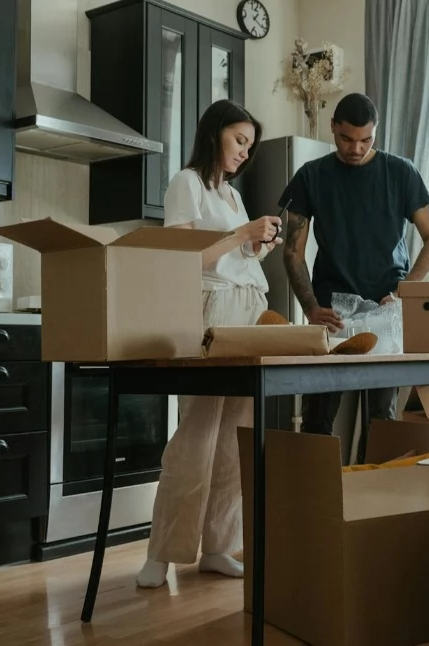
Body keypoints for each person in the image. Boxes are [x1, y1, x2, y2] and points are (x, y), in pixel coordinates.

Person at [136, 100, 284, 588]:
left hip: (249, 309)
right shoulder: (187, 183)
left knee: (235, 436)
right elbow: (183, 258)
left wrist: (258, 245)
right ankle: (161, 553)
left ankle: (218, 546)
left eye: (250, 146)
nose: (245, 152)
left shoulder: (233, 196)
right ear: (215, 133)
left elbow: (234, 259)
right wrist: (244, 233)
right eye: (239, 140)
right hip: (211, 311)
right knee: (196, 435)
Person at [280, 93, 429, 435]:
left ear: (375, 133)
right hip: (331, 311)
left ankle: (376, 489)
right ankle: (315, 489)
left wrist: (405, 291)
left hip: (386, 308)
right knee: (317, 418)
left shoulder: (401, 172)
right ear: (333, 128)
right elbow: (292, 252)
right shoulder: (310, 176)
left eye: (366, 140)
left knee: (381, 419)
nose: (356, 148)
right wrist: (310, 307)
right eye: (346, 139)